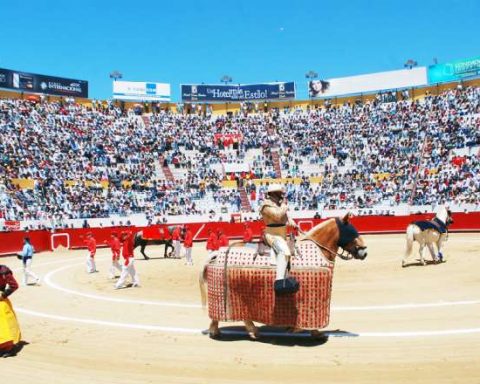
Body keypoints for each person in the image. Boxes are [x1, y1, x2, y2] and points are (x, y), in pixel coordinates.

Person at [259, 184, 298, 285]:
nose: (282, 195)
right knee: (283, 251)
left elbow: (284, 217)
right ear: (273, 193)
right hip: (272, 235)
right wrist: (285, 206)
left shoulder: (278, 205)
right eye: (280, 192)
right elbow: (277, 216)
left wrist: (290, 220)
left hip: (282, 234)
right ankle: (279, 281)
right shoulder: (266, 205)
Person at [0, 264, 21, 357]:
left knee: (5, 324)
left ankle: (9, 347)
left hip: (1, 301)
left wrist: (3, 295)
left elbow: (14, 285)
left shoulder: (4, 271)